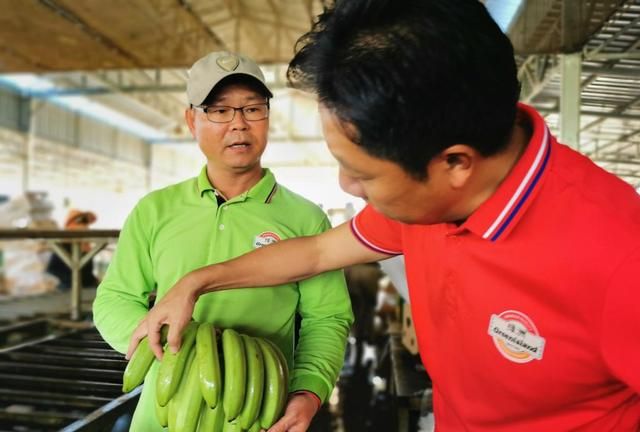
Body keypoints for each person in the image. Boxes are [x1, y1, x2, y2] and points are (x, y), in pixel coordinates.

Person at [128, 1, 640, 431]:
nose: (345, 187)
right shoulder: (423, 203)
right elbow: (318, 252)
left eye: (362, 175)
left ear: (454, 164)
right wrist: (195, 282)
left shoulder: (620, 261)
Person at [93, 51, 353, 431]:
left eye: (252, 109)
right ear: (191, 120)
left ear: (267, 117)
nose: (238, 125)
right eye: (219, 110)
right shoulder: (155, 210)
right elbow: (115, 298)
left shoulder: (304, 218)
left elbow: (327, 319)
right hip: (163, 415)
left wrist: (309, 393)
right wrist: (182, 350)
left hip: (259, 414)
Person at [46, 209, 99, 290]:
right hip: (69, 288)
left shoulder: (86, 246)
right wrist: (72, 280)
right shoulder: (63, 246)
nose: (84, 227)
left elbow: (87, 271)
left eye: (84, 223)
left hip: (87, 287)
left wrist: (93, 280)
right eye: (79, 222)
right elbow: (53, 269)